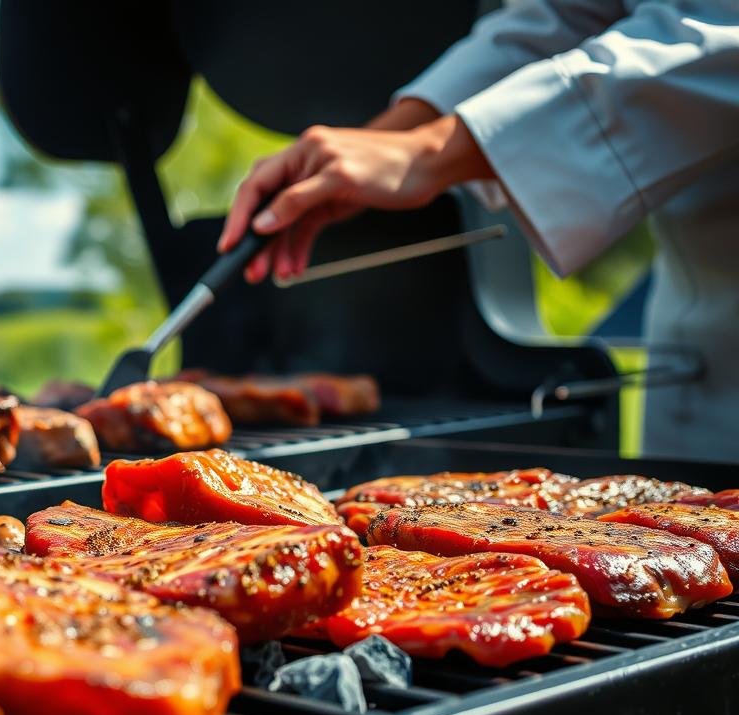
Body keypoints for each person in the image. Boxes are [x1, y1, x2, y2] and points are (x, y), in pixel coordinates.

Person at [219, 0, 739, 462]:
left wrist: (428, 152)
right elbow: (566, 16)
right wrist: (379, 143)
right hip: (699, 342)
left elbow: (717, 34)